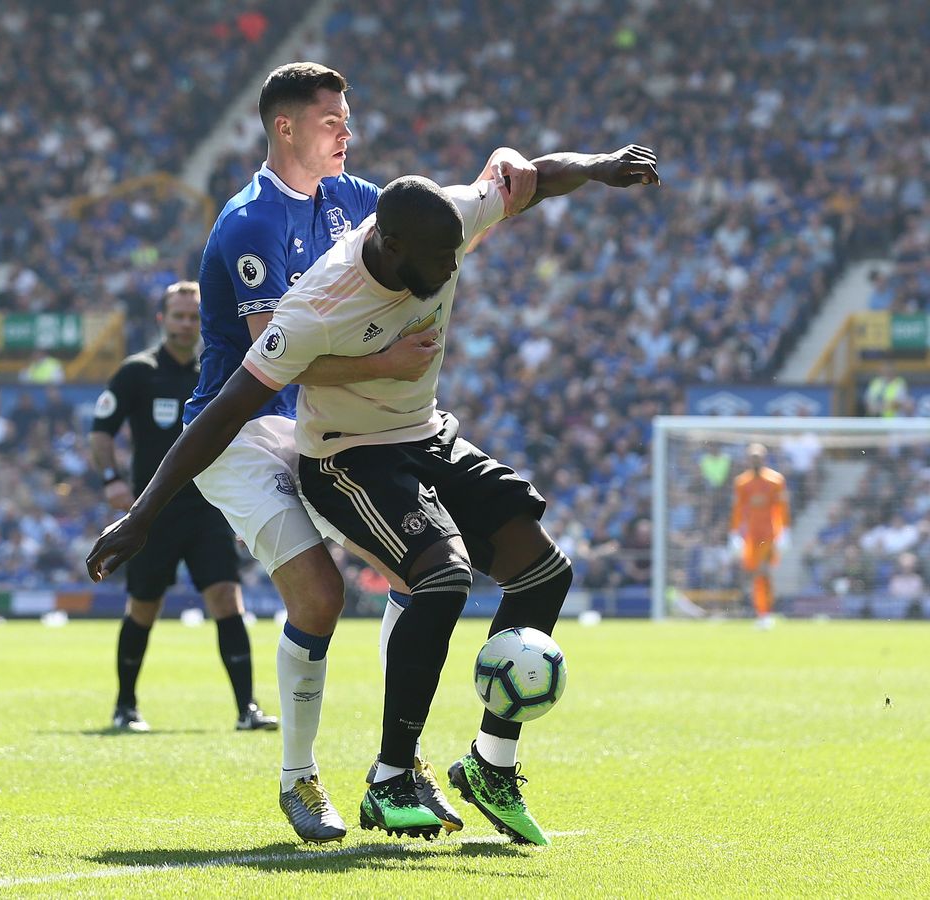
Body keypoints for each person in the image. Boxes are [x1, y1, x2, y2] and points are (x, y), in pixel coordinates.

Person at [88, 152, 661, 843]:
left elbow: (529, 179)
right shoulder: (318, 302)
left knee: (544, 571)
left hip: (427, 434)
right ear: (390, 247)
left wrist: (598, 168)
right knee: (442, 580)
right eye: (439, 259)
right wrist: (141, 513)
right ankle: (391, 775)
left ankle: (491, 762)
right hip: (347, 457)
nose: (453, 269)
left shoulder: (446, 220)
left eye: (456, 252)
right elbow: (226, 409)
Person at [168, 61, 540, 843]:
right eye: (332, 120)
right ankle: (300, 781)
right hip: (235, 429)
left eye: (347, 118)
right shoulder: (248, 224)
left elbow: (406, 257)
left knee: (423, 564)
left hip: (316, 424)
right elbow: (271, 363)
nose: (347, 131)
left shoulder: (356, 200)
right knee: (320, 596)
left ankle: (397, 769)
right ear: (286, 127)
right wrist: (383, 364)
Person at [89, 281, 277, 734]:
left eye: (194, 316)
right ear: (162, 320)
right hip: (151, 514)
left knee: (226, 600)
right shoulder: (137, 372)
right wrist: (111, 480)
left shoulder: (216, 367)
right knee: (143, 607)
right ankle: (125, 706)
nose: (187, 323)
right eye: (178, 315)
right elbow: (100, 431)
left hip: (208, 506)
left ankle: (246, 708)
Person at [729, 443, 791, 625]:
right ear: (748, 460)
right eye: (752, 457)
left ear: (764, 459)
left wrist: (784, 530)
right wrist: (734, 532)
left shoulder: (775, 481)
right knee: (754, 573)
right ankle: (761, 611)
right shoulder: (742, 483)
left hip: (769, 535)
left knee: (762, 571)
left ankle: (765, 613)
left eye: (758, 457)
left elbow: (781, 508)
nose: (755, 461)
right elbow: (738, 509)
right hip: (751, 536)